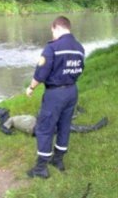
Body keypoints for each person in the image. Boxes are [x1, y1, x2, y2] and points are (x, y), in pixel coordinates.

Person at [25, 16, 85, 179]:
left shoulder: (52, 47)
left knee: (44, 128)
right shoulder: (79, 47)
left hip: (55, 94)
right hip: (72, 91)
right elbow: (80, 69)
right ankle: (58, 160)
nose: (52, 35)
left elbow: (41, 74)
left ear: (57, 28)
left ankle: (41, 168)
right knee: (64, 125)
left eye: (52, 31)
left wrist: (31, 88)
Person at [0, 107, 108, 136]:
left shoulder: (15, 117)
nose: (6, 114)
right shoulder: (9, 121)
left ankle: (75, 113)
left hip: (38, 122)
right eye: (3, 113)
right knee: (66, 127)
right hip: (37, 128)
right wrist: (8, 131)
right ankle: (94, 127)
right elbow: (4, 128)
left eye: (5, 112)